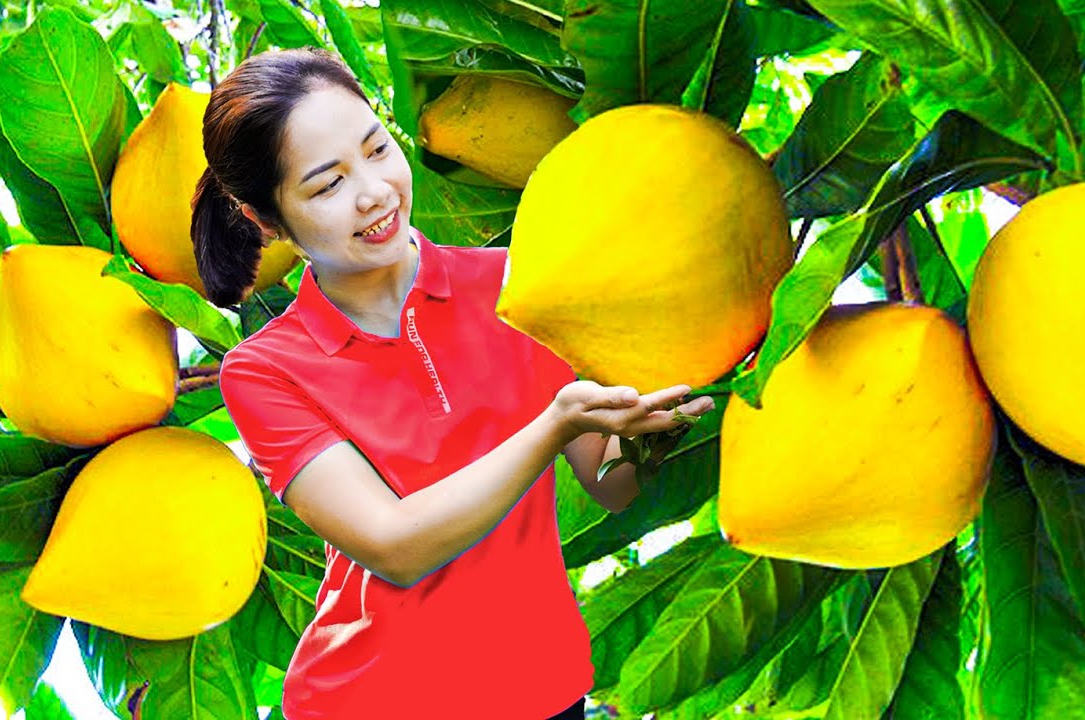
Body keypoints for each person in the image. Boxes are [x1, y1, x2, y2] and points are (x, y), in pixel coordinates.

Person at [190, 47, 715, 719]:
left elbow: (614, 484)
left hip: (542, 692)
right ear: (267, 219)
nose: (374, 191)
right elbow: (394, 547)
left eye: (377, 149)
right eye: (328, 185)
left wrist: (671, 401)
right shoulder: (267, 370)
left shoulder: (517, 283)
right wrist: (553, 426)